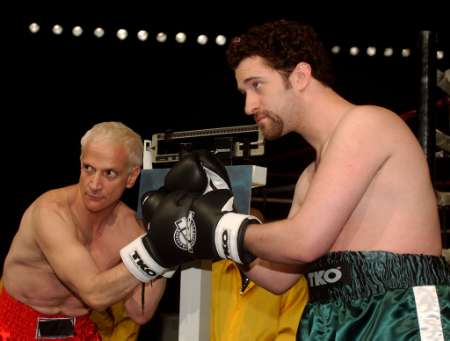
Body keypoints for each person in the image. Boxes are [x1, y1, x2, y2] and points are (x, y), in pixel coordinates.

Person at [133, 20, 450, 340]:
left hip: (397, 313)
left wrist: (219, 228)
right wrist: (218, 228)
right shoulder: (310, 178)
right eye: (244, 92)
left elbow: (303, 241)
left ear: (300, 75)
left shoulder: (368, 123)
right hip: (327, 318)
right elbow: (279, 278)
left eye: (257, 85)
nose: (249, 105)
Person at [0, 121, 166, 340]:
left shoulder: (130, 228)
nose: (94, 184)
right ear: (80, 163)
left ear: (132, 177)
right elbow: (94, 293)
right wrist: (156, 253)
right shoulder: (51, 212)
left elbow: (140, 313)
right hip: (16, 326)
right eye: (89, 168)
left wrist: (165, 248)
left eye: (109, 173)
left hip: (80, 329)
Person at [211, 208, 309, 341]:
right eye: (240, 232)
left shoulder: (292, 283)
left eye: (251, 231)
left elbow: (290, 334)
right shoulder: (214, 273)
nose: (245, 240)